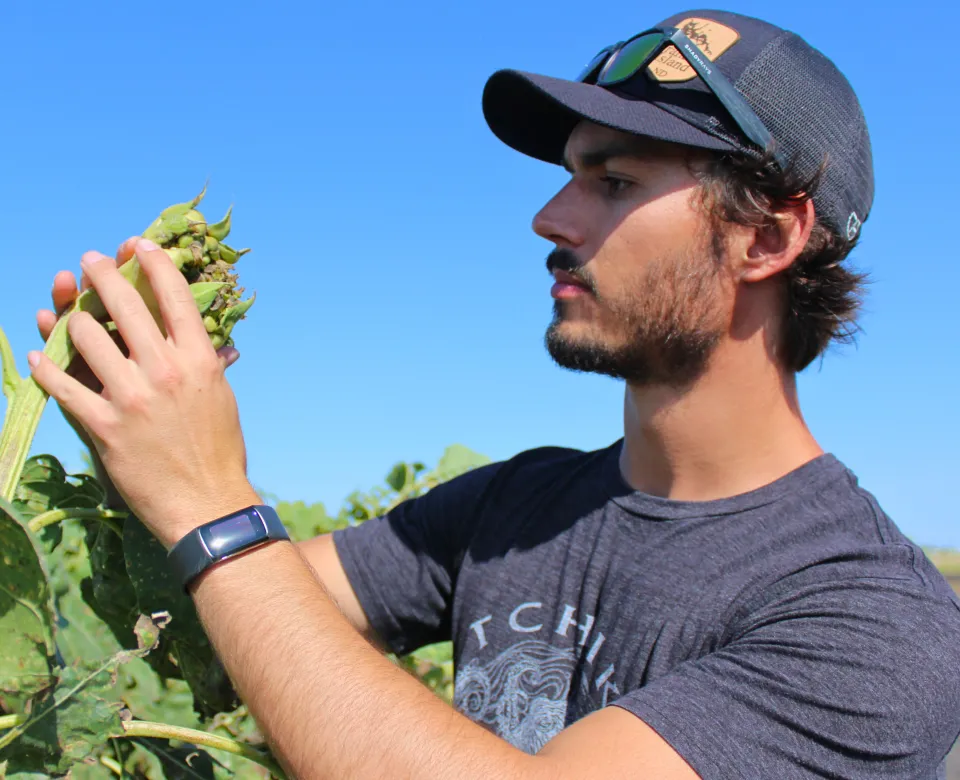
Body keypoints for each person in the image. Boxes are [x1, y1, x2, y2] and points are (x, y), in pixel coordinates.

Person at [32, 8, 960, 780]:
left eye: (617, 180)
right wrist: (131, 427)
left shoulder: (874, 623)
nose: (549, 219)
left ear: (767, 239)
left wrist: (211, 499)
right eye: (568, 175)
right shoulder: (518, 505)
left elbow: (234, 560)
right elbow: (224, 624)